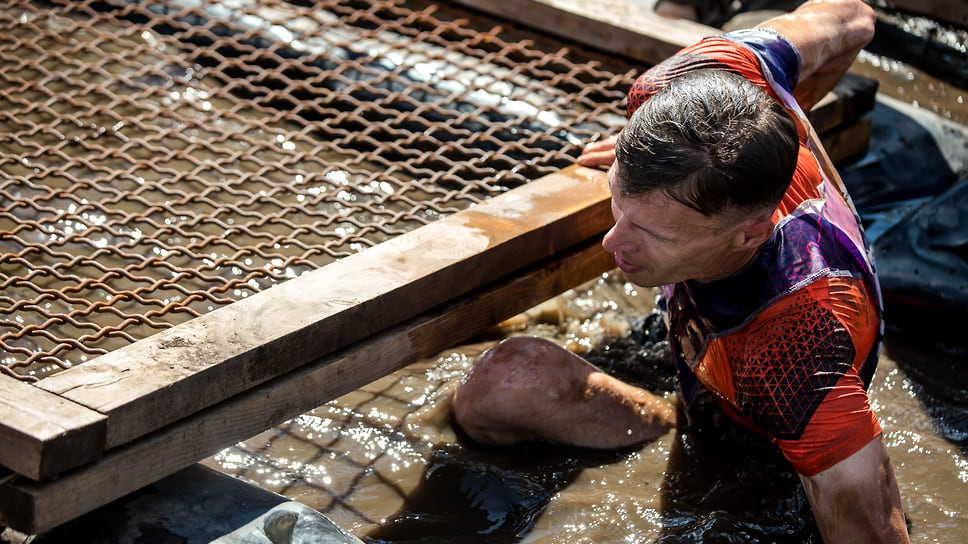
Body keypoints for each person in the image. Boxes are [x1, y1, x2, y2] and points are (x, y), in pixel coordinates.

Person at [450, 0, 912, 541]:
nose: (611, 241)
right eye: (620, 201)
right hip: (706, 339)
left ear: (748, 233)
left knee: (507, 383)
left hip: (743, 438)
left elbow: (873, 527)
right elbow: (853, 17)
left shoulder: (797, 351)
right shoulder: (698, 80)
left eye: (653, 233)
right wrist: (764, 151)